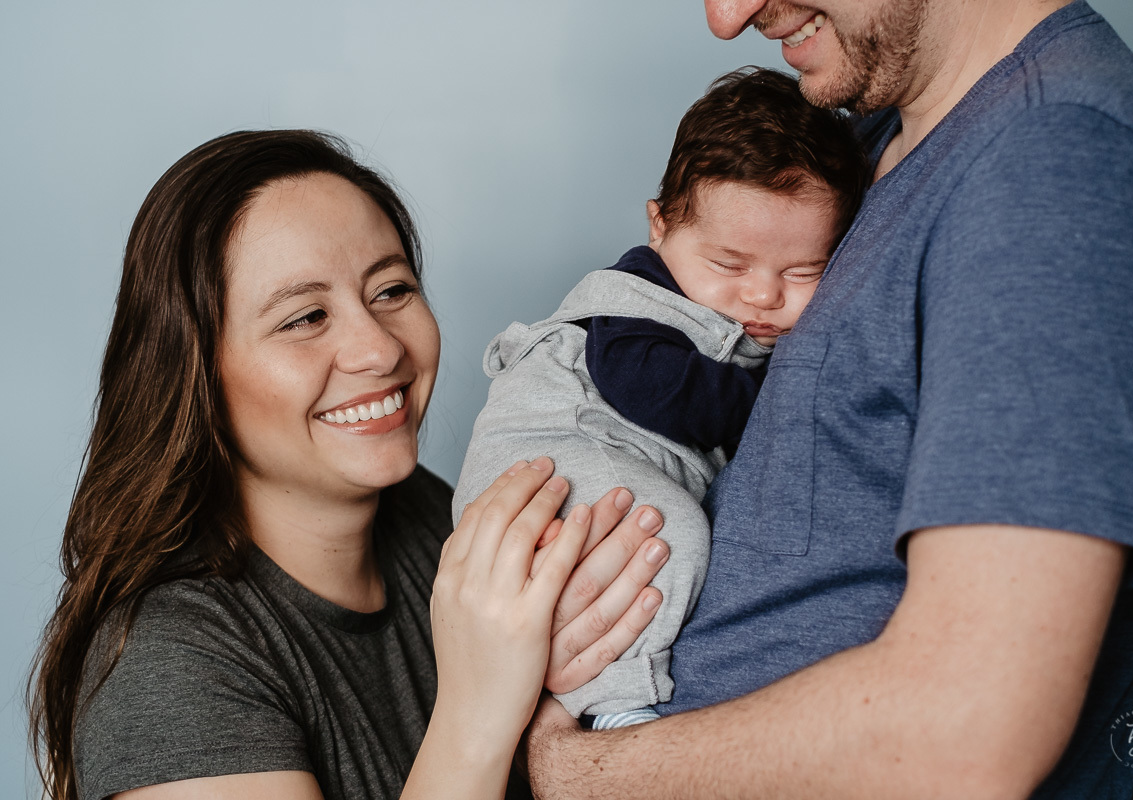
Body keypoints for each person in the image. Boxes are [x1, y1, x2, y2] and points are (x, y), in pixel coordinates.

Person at [522, 1, 1133, 797]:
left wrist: (578, 773)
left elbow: (966, 731)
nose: (727, 14)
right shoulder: (867, 144)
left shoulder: (1063, 166)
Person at [27, 130, 671, 800]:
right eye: (305, 317)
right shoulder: (170, 665)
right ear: (194, 375)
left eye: (391, 290)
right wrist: (482, 714)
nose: (377, 348)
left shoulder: (427, 513)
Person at [452, 66, 869, 730]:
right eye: (729, 266)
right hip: (551, 452)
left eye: (802, 272)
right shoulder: (632, 304)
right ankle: (619, 705)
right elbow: (652, 388)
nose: (762, 296)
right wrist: (775, 398)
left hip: (599, 463)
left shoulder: (744, 306)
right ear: (659, 228)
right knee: (665, 536)